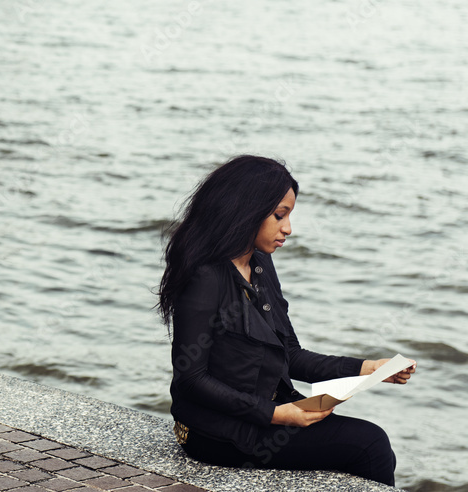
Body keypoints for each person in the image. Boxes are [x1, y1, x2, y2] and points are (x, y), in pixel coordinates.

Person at [155, 155, 416, 486]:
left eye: (289, 215)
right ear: (246, 210)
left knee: (368, 444)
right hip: (213, 432)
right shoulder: (205, 276)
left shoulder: (260, 264)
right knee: (370, 445)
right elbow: (190, 379)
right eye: (280, 215)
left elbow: (289, 354)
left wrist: (366, 368)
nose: (288, 229)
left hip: (266, 412)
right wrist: (275, 414)